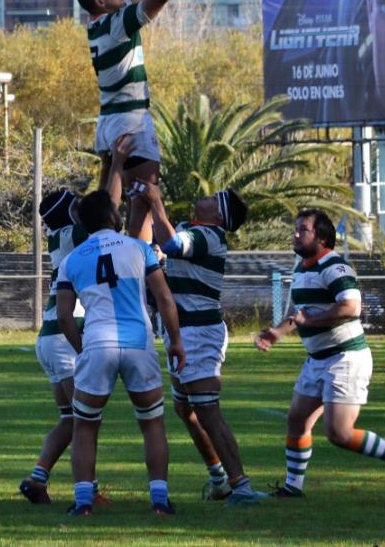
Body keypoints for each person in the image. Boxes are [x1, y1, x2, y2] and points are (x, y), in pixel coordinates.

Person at [255, 209, 385, 500]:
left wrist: (309, 322)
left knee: (339, 433)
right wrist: (277, 332)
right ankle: (293, 487)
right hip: (318, 359)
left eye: (303, 229)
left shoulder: (335, 267)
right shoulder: (302, 268)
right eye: (295, 229)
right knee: (297, 420)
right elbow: (302, 314)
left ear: (322, 237)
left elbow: (351, 307)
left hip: (345, 357)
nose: (296, 234)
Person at [75, 0, 208, 241]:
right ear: (101, 2)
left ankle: (121, 252)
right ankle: (135, 261)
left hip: (110, 120)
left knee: (115, 198)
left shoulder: (100, 26)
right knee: (142, 200)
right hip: (130, 121)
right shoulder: (118, 24)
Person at [55, 190, 185, 516]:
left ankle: (83, 502)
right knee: (152, 423)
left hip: (98, 343)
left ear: (83, 224)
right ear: (114, 217)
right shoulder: (140, 248)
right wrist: (176, 341)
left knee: (85, 426)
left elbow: (64, 316)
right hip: (138, 343)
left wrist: (81, 348)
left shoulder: (72, 260)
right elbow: (165, 300)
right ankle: (159, 500)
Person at [20, 136, 133, 506]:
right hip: (68, 336)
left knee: (70, 419)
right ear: (71, 216)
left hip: (49, 338)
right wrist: (116, 163)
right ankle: (90, 491)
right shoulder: (76, 234)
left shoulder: (62, 236)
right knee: (87, 420)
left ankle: (37, 480)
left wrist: (105, 165)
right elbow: (107, 206)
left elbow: (98, 203)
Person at [136, 182, 263, 506]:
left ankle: (241, 486)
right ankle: (220, 478)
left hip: (200, 333)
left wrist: (155, 201)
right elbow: (161, 243)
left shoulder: (210, 237)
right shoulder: (188, 228)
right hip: (180, 331)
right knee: (185, 407)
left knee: (207, 411)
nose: (203, 196)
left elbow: (174, 245)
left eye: (211, 197)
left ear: (219, 214)